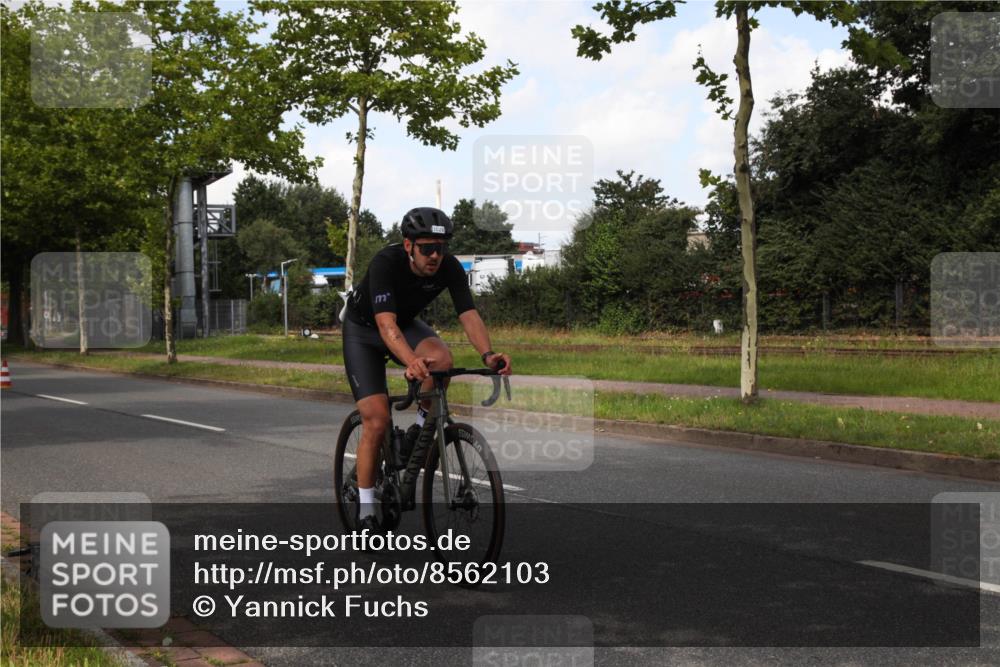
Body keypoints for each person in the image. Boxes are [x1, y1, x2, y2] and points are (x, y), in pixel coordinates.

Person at [341, 206, 512, 532]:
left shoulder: (448, 267)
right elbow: (384, 323)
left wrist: (488, 354)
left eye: (441, 247)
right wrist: (411, 361)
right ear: (409, 246)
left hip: (404, 326)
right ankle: (365, 507)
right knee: (376, 420)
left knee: (442, 361)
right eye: (427, 248)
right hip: (364, 331)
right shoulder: (385, 263)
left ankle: (419, 426)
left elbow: (469, 314)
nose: (435, 255)